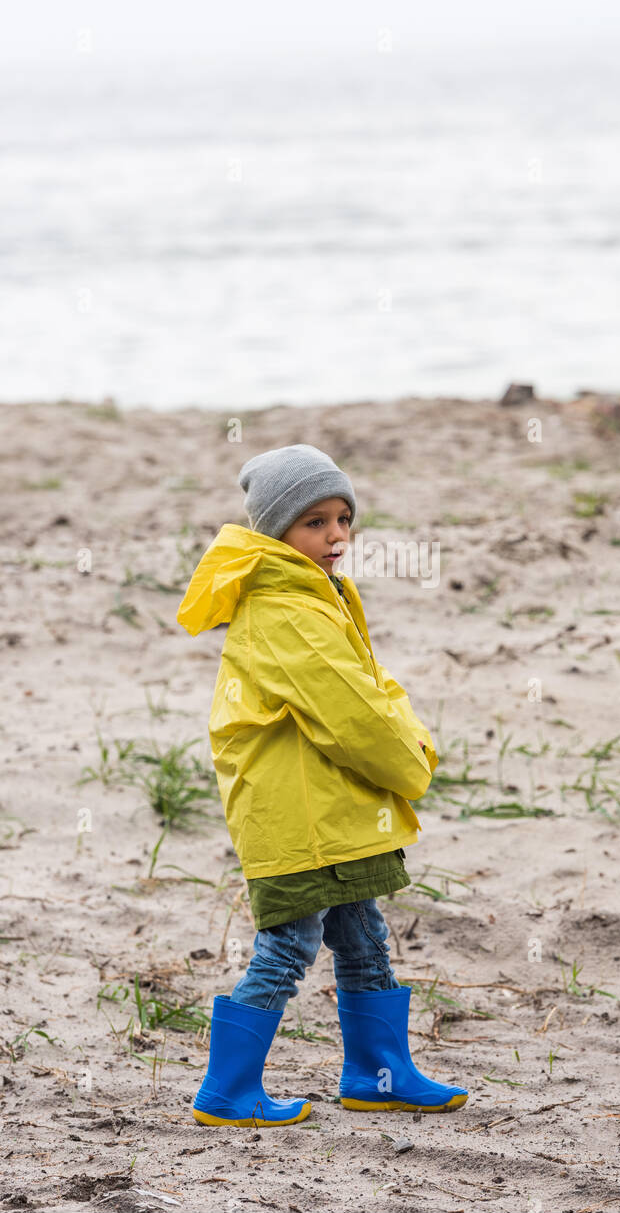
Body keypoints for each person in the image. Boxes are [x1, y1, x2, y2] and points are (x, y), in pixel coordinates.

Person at [176, 443, 468, 1127]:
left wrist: (407, 736)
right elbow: (351, 715)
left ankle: (377, 1073)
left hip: (333, 812)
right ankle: (227, 1090)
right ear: (274, 531)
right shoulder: (284, 607)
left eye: (343, 518)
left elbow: (367, 686)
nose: (335, 535)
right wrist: (410, 761)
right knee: (287, 948)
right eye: (314, 522)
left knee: (363, 938)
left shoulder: (314, 592)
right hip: (299, 818)